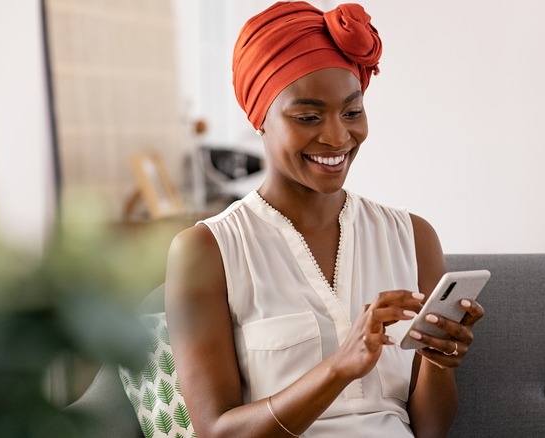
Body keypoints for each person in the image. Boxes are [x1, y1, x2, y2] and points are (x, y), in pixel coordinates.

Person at [164, 2, 484, 437]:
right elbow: (217, 432)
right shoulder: (207, 250)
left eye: (352, 112)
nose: (337, 137)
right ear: (259, 119)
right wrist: (339, 367)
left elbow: (430, 430)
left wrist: (437, 362)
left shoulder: (413, 237)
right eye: (308, 117)